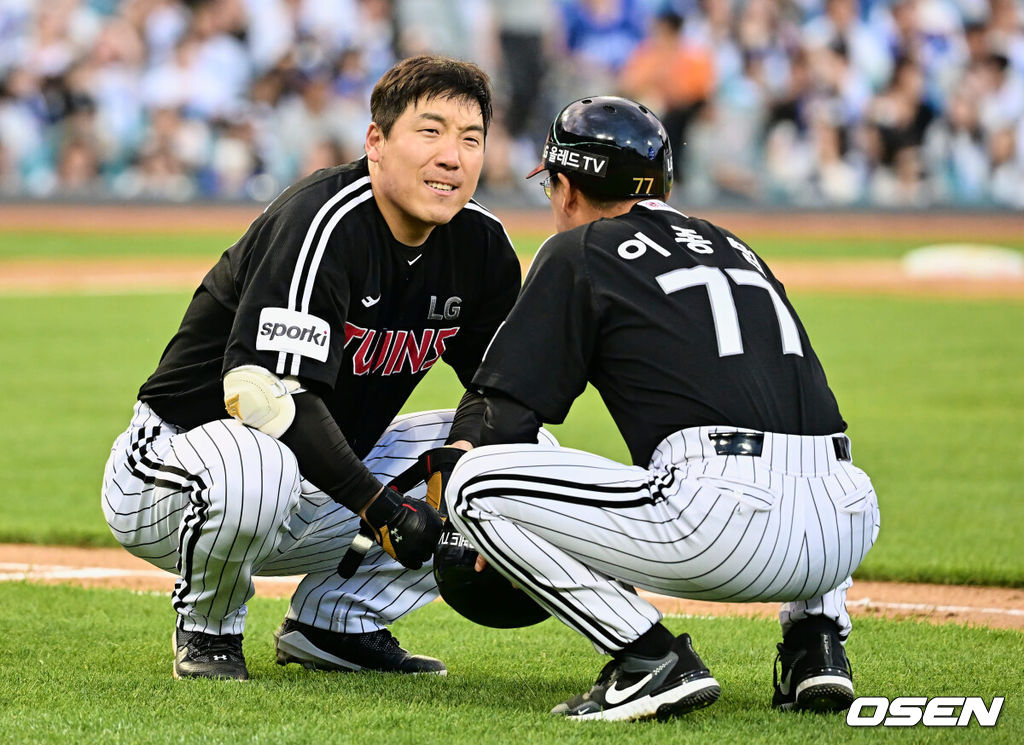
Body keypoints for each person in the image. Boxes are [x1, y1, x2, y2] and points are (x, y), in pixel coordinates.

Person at [445, 95, 881, 721]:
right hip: (846, 521)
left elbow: (505, 416)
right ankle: (817, 648)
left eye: (551, 188)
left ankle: (648, 658)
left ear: (566, 186)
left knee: (473, 486)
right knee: (803, 437)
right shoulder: (735, 246)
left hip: (723, 522)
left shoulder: (582, 249)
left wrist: (442, 508)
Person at [102, 54, 531, 681]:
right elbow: (265, 398)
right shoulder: (324, 221)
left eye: (471, 139)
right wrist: (384, 510)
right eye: (430, 131)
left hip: (321, 486)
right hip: (173, 474)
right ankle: (209, 627)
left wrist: (466, 461)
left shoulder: (480, 246)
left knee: (518, 458)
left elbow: (503, 389)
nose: (452, 156)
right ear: (376, 143)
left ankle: (335, 624)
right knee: (261, 459)